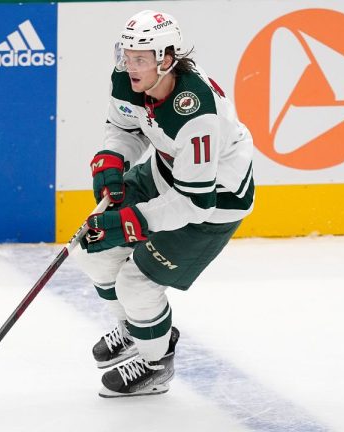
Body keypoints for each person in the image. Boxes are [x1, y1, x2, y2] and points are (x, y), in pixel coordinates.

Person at [73, 9, 255, 398]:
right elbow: (125, 127)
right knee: (92, 250)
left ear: (167, 59)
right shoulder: (129, 79)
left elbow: (193, 203)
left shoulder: (197, 113)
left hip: (214, 201)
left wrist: (129, 222)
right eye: (125, 54)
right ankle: (139, 331)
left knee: (136, 283)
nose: (128, 65)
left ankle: (156, 363)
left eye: (139, 58)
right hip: (166, 169)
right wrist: (112, 157)